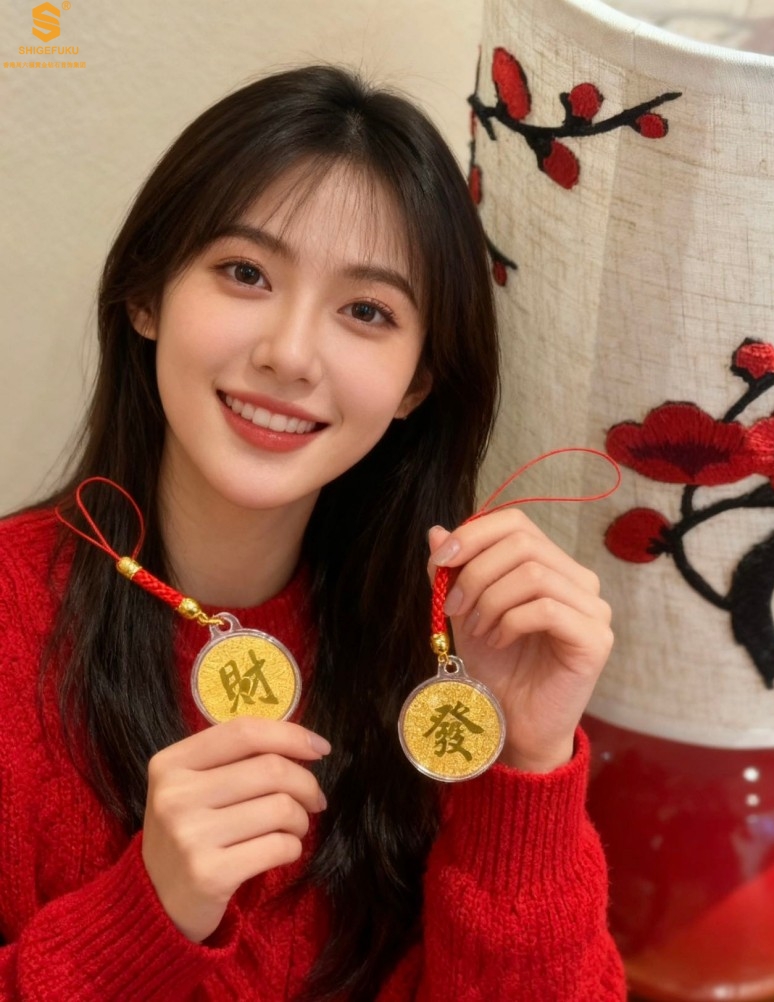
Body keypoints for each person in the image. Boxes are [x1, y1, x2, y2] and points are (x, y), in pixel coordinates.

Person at [0, 65, 625, 1001]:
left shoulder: (461, 658)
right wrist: (144, 919)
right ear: (146, 295)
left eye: (366, 312)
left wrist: (525, 764)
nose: (290, 355)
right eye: (245, 273)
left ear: (417, 383)